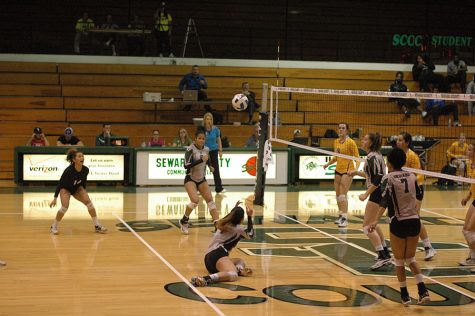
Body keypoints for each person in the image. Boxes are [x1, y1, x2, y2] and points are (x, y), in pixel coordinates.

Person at [374, 147, 430, 305]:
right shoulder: (412, 176)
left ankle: (405, 295)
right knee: (411, 259)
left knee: (399, 261)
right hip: (414, 221)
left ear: (389, 163)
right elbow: (419, 194)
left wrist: (374, 220)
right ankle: (422, 290)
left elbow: (384, 201)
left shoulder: (388, 178)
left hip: (398, 222)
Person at [348, 133, 390, 270]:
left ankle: (382, 256)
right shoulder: (374, 155)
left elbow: (377, 178)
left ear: (371, 143)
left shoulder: (372, 157)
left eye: (365, 139)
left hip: (377, 192)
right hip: (380, 190)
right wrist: (355, 172)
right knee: (374, 224)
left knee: (367, 226)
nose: (362, 140)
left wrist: (366, 194)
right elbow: (370, 175)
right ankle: (385, 253)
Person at [190, 198, 254, 287]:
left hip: (209, 259)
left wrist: (235, 208)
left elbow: (229, 217)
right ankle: (205, 279)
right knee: (233, 275)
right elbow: (250, 234)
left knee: (240, 261)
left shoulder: (221, 224)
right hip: (218, 255)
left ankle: (239, 270)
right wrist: (250, 216)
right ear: (242, 218)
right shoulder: (238, 229)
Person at [48, 148, 108, 235]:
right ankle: (54, 226)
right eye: (79, 156)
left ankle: (97, 226)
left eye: (82, 156)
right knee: (64, 207)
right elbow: (60, 183)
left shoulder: (85, 170)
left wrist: (83, 191)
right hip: (65, 189)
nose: (82, 158)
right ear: (74, 160)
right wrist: (55, 198)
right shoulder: (68, 171)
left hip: (76, 188)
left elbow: (83, 182)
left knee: (89, 203)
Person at [396, 132, 436, 260]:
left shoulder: (412, 156)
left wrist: (410, 180)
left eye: (401, 140)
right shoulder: (397, 154)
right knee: (403, 219)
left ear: (407, 142)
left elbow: (420, 175)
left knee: (415, 218)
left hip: (415, 191)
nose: (398, 142)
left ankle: (428, 247)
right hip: (403, 192)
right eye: (397, 140)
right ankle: (402, 247)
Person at [178, 126, 220, 234]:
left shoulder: (206, 149)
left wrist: (210, 166)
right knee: (195, 200)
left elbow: (208, 160)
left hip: (201, 179)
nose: (201, 140)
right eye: (199, 138)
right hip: (190, 178)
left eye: (203, 138)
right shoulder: (190, 149)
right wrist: (201, 160)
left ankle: (217, 226)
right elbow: (186, 165)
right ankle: (184, 220)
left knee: (210, 201)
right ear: (195, 139)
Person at [323, 123, 360, 228]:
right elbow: (336, 157)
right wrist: (328, 164)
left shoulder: (351, 142)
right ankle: (340, 216)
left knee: (343, 195)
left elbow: (357, 157)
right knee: (338, 195)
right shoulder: (335, 142)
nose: (341, 130)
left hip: (348, 171)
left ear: (347, 130)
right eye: (339, 128)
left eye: (343, 128)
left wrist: (355, 170)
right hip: (338, 170)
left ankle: (345, 219)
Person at [460, 143, 475, 268]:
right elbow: (473, 184)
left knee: (469, 230)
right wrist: (468, 197)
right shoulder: (471, 164)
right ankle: (472, 256)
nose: (467, 151)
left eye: (470, 149)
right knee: (466, 230)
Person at [203, 112, 225, 194]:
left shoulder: (216, 129)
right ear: (204, 120)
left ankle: (219, 188)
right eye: (207, 119)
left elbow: (218, 140)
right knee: (202, 170)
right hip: (204, 151)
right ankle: (200, 188)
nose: (209, 120)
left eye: (210, 119)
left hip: (214, 151)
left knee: (216, 169)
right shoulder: (202, 129)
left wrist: (220, 150)